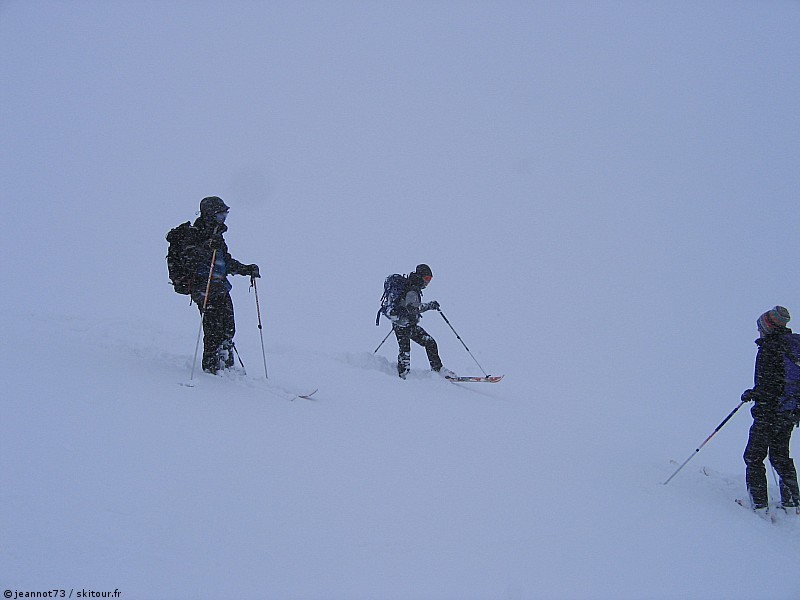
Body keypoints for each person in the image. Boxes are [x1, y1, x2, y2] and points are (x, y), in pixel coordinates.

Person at [187, 196, 260, 374]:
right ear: (210, 214)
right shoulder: (195, 233)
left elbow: (225, 262)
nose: (223, 219)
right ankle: (211, 367)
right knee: (212, 327)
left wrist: (245, 269)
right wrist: (205, 247)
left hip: (219, 286)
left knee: (228, 325)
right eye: (220, 215)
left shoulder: (217, 236)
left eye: (225, 215)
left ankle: (225, 360)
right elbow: (189, 257)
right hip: (202, 287)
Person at [741, 305, 800, 514]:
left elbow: (769, 386)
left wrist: (756, 395)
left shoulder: (770, 348)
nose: (759, 331)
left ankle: (758, 505)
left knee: (754, 456)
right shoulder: (791, 346)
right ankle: (793, 502)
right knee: (780, 456)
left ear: (767, 326)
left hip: (769, 413)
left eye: (760, 327)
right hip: (790, 411)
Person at [386, 264, 455, 380]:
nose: (428, 282)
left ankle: (437, 370)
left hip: (406, 324)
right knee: (406, 350)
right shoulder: (412, 289)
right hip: (402, 325)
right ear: (421, 276)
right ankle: (403, 377)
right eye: (427, 278)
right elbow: (412, 308)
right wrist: (429, 306)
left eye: (430, 279)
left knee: (429, 343)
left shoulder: (412, 285)